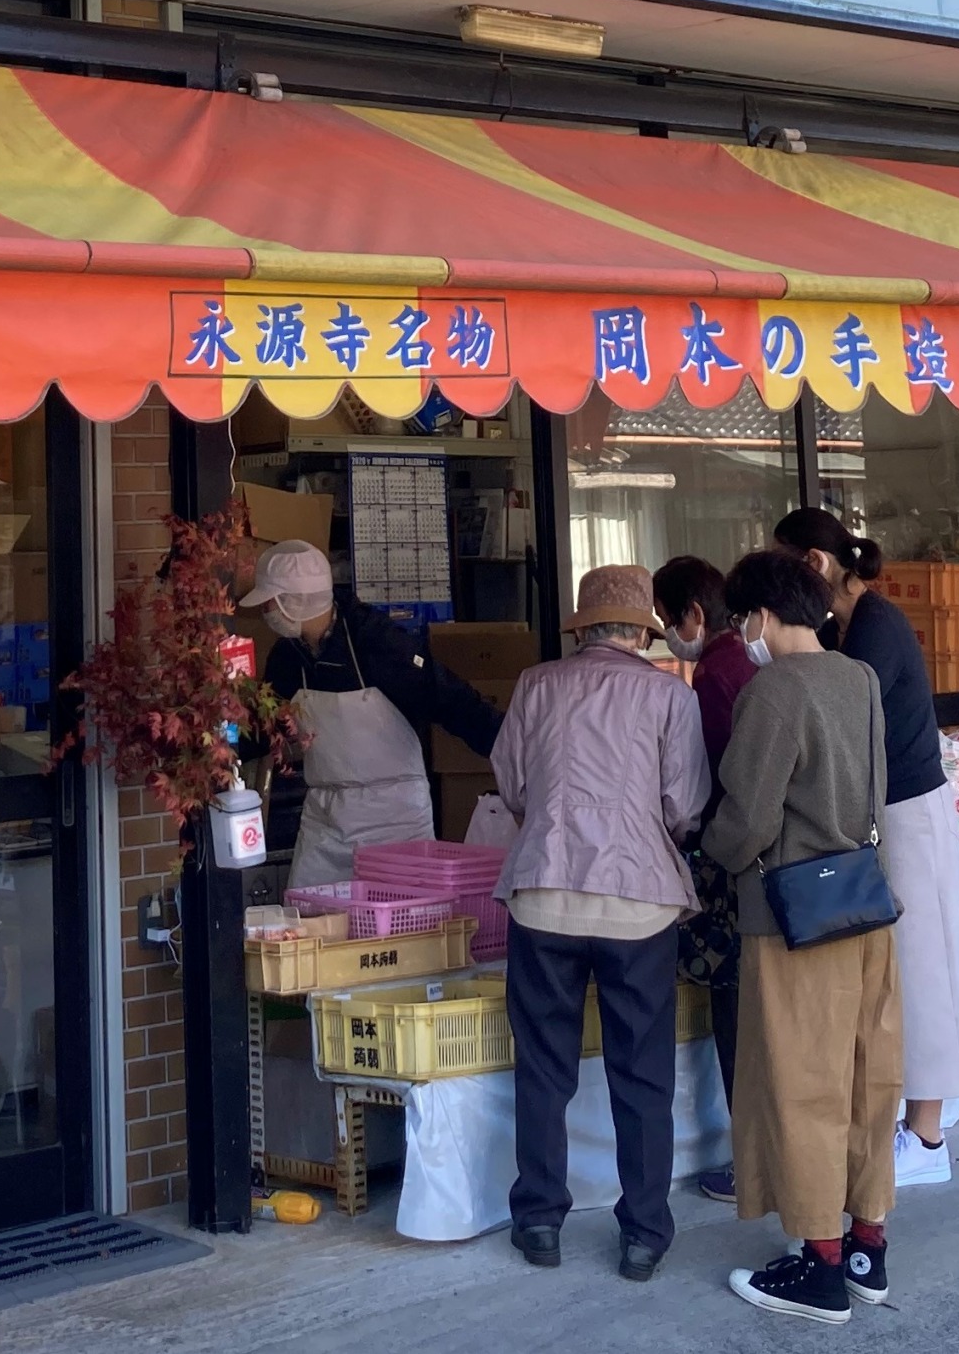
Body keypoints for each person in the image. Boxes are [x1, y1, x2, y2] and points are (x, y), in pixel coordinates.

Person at [491, 565, 708, 1282]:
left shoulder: (535, 685)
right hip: (637, 903)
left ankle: (540, 1218)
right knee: (641, 1073)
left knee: (544, 1066)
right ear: (644, 630)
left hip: (544, 895)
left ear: (583, 627)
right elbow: (684, 807)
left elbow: (512, 786)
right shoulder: (668, 695)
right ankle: (644, 1232)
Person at [703, 550, 903, 1324]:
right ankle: (865, 1247)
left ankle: (818, 1265)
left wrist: (712, 851)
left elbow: (747, 815)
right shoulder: (859, 678)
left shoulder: (771, 690)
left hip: (792, 913)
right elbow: (876, 788)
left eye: (740, 619)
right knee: (867, 1075)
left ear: (757, 616)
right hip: (866, 901)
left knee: (802, 1083)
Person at [775, 507, 959, 1189]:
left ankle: (926, 1134)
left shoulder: (875, 626)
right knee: (904, 970)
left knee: (928, 970)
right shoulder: (854, 624)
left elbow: (842, 715)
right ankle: (911, 1126)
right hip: (889, 811)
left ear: (816, 564)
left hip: (910, 811)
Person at [247, 538, 504, 886]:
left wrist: (508, 750)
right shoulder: (287, 656)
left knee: (396, 926)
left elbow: (447, 698)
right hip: (326, 818)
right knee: (310, 921)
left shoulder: (377, 640)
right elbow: (264, 726)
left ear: (292, 603)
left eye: (270, 605)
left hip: (393, 815)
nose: (265, 614)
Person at [657, 554, 750, 1205]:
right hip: (767, 861)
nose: (667, 632)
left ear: (694, 613)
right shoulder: (749, 661)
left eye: (667, 619)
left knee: (732, 1001)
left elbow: (710, 782)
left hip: (731, 861)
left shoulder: (715, 673)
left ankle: (750, 1156)